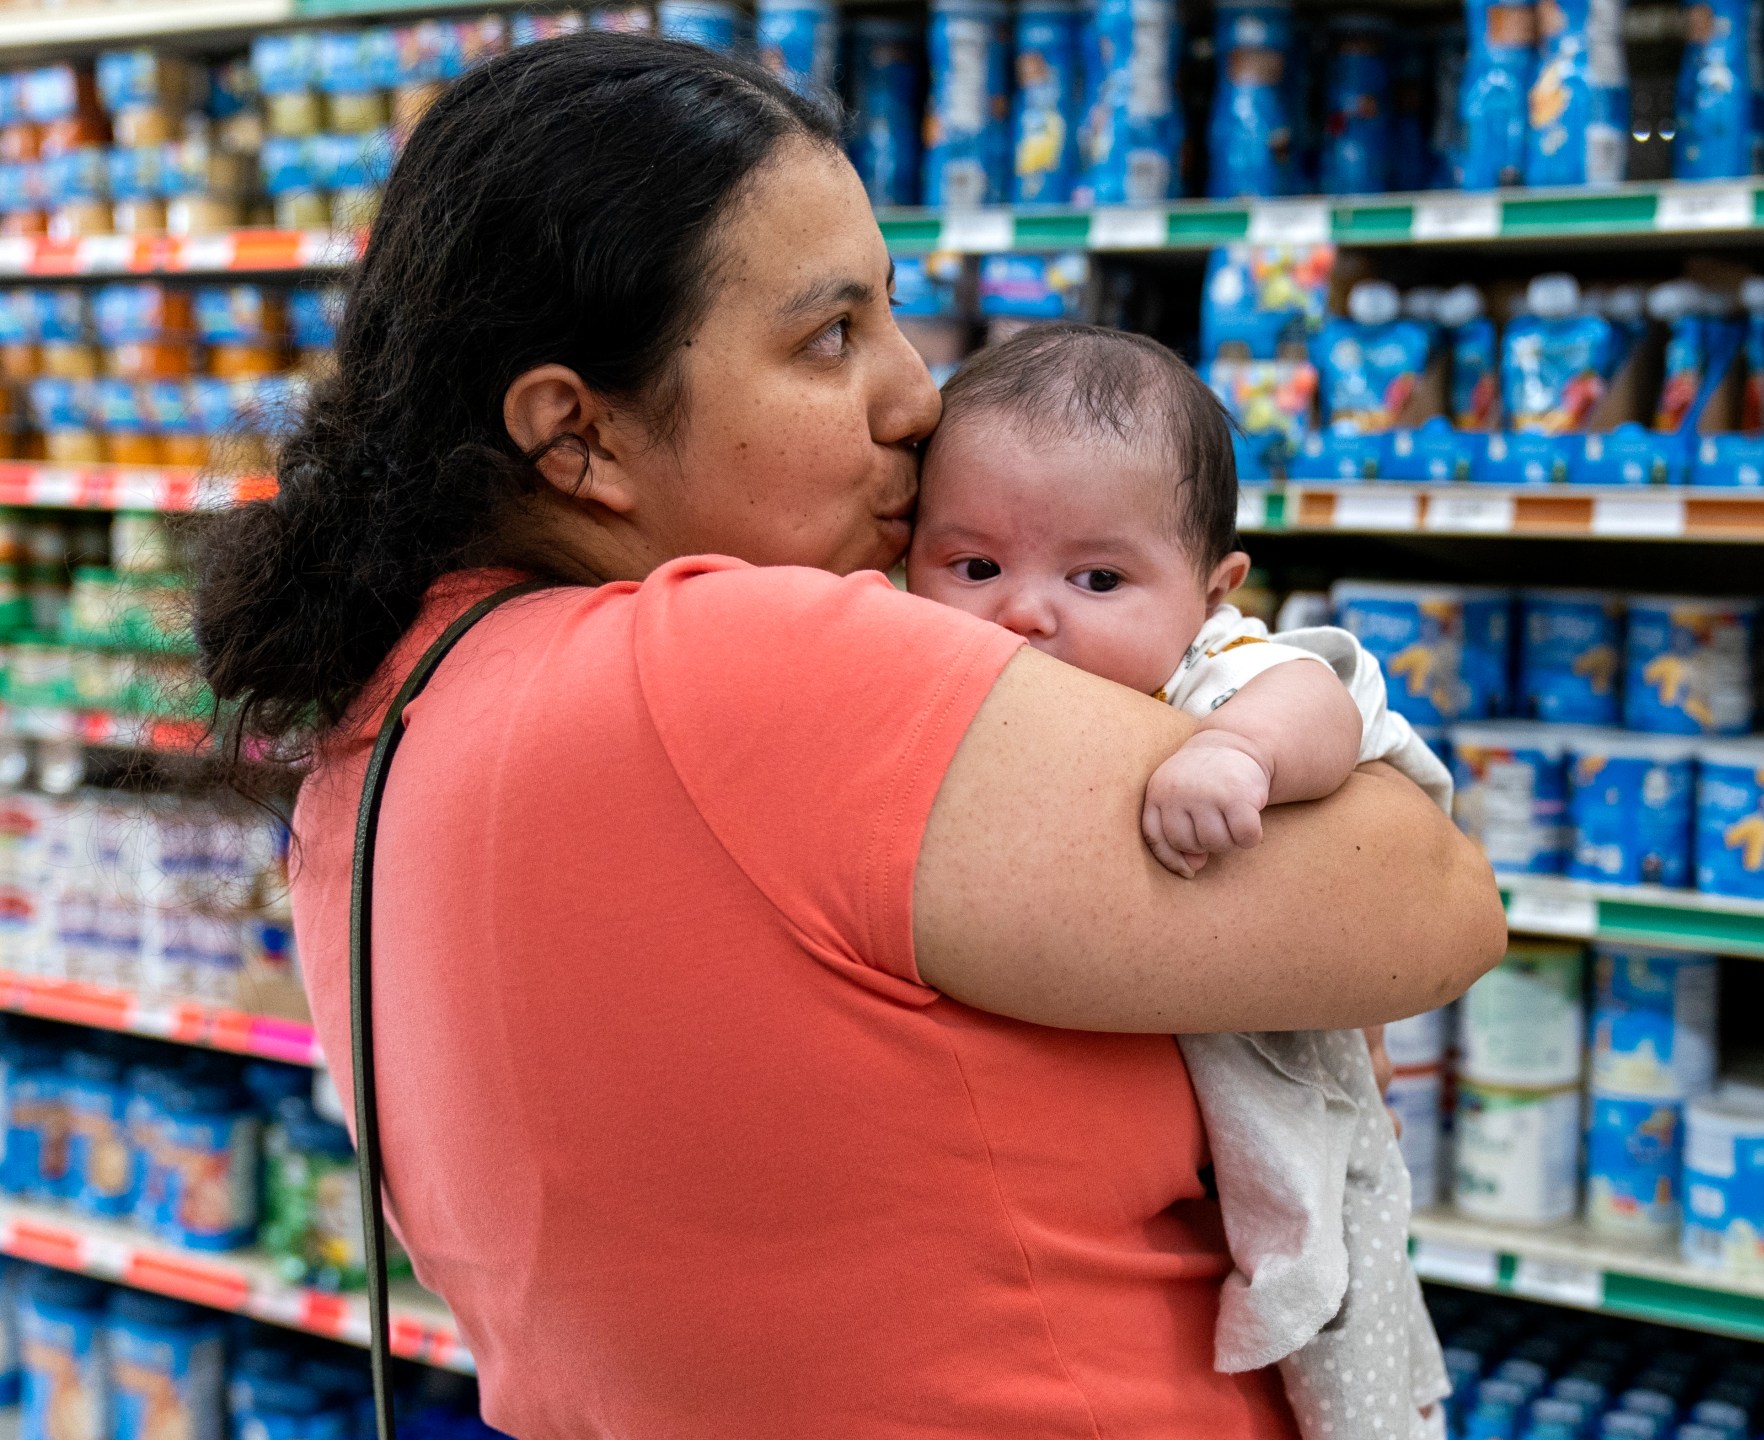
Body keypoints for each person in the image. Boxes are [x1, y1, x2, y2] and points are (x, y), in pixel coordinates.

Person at [185, 33, 1504, 1439]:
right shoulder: (728, 665)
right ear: (577, 437)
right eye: (829, 339)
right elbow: (1428, 899)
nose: (918, 394)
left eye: (896, 309)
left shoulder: (375, 735)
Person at [909, 323, 1452, 1439]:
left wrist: (1237, 754)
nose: (1025, 611)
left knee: (1337, 1300)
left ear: (1213, 591)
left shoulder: (1212, 672)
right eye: (972, 567)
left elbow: (1323, 693)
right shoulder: (923, 670)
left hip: (1279, 1070)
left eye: (1097, 577)